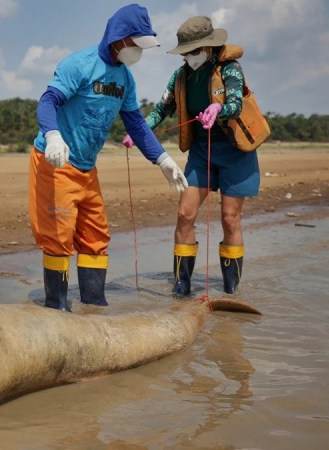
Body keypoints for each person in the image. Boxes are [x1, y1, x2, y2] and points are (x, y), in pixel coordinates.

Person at [29, 4, 188, 313]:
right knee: (59, 236)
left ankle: (94, 306)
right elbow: (48, 101)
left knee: (95, 235)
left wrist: (163, 160)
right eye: (136, 44)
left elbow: (137, 125)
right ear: (119, 38)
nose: (138, 52)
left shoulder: (125, 79)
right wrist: (52, 135)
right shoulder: (80, 65)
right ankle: (57, 307)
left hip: (87, 167)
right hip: (57, 162)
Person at [123, 16, 261, 296]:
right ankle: (182, 284)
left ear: (209, 47)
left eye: (195, 51)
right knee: (185, 214)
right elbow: (160, 110)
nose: (190, 56)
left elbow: (235, 103)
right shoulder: (180, 76)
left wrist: (218, 109)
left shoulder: (230, 69)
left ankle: (230, 289)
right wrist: (139, 131)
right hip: (201, 152)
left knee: (229, 218)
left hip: (236, 152)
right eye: (186, 52)